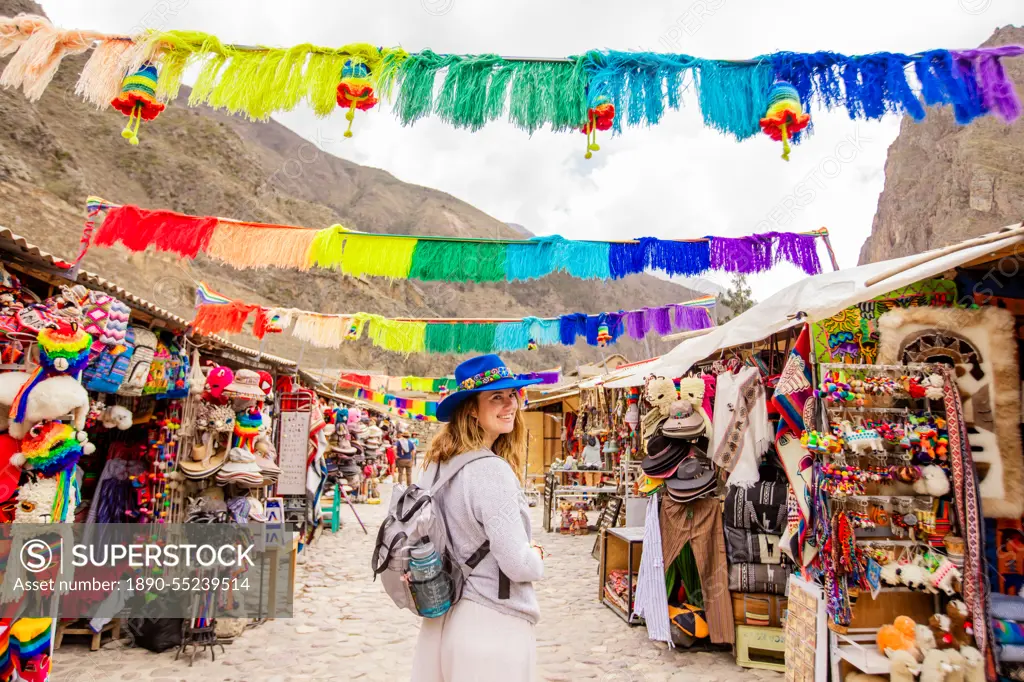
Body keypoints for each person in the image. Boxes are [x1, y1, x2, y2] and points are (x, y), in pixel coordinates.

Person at [412, 354, 545, 682]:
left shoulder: (437, 466)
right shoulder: (491, 471)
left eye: (511, 395)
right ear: (471, 408)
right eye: (495, 397)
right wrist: (537, 557)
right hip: (492, 625)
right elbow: (516, 563)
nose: (509, 404)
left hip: (445, 620)